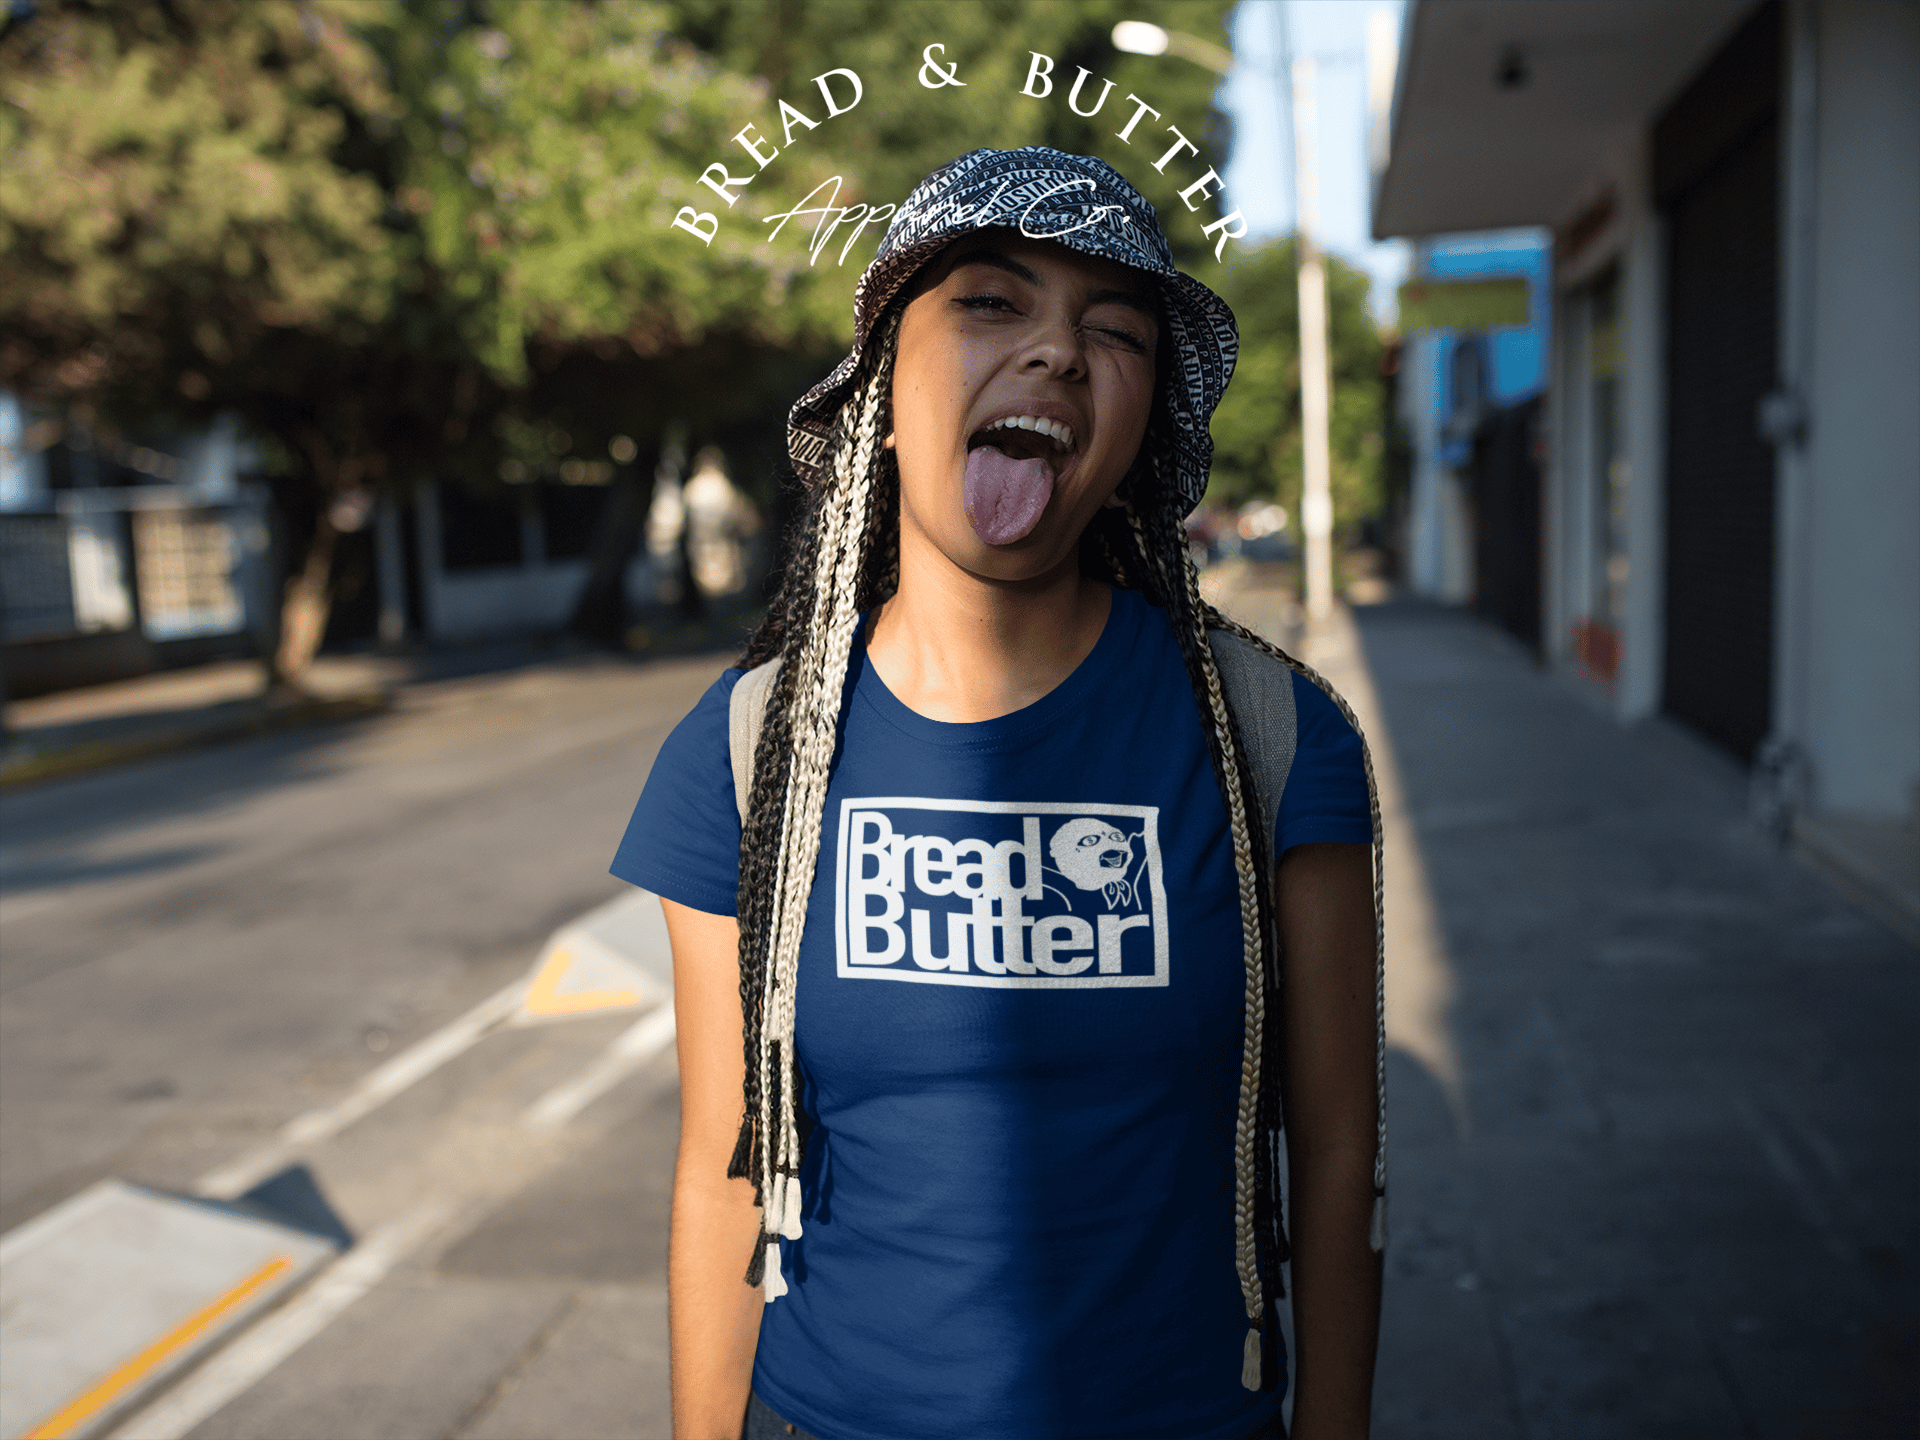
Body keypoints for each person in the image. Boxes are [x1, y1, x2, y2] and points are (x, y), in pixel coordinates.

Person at [612, 148, 1383, 1440]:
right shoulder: (748, 748)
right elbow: (721, 1169)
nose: (1059, 353)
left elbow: (1341, 1157)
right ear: (882, 391)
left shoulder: (1277, 736)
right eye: (988, 301)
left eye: (1116, 332)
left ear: (1141, 431)